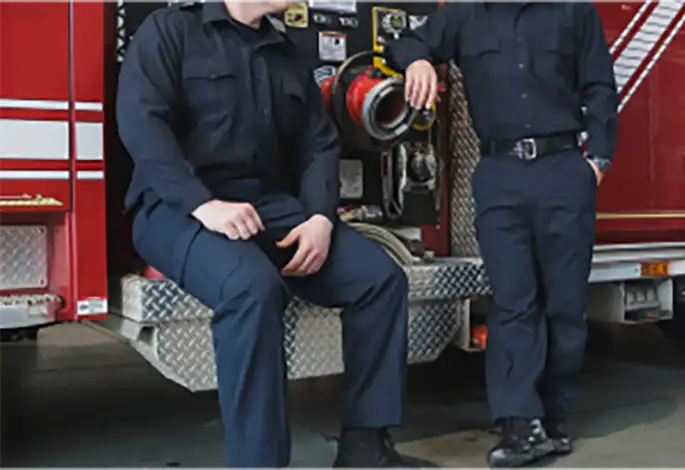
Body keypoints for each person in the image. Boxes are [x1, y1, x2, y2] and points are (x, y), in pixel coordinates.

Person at [116, 1, 441, 469]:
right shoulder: (171, 31)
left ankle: (366, 449)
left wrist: (320, 218)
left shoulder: (284, 53)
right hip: (174, 206)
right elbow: (141, 122)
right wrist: (203, 204)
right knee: (251, 287)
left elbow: (319, 144)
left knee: (379, 279)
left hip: (265, 206)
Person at [385, 0, 618, 468]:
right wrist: (417, 60)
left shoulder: (574, 10)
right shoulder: (465, 14)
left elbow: (600, 86)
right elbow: (404, 41)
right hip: (500, 175)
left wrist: (597, 161)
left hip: (563, 171)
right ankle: (518, 422)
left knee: (564, 305)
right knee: (513, 301)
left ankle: (553, 419)